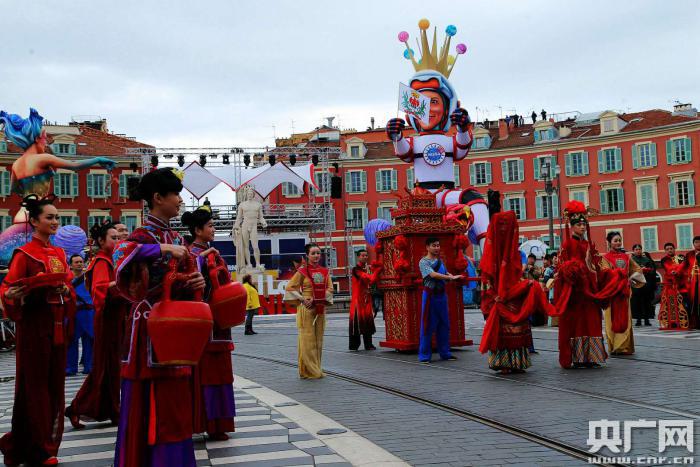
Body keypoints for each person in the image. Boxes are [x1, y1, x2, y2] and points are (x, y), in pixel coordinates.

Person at [112, 168, 205, 467]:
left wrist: (194, 282)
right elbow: (121, 255)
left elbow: (188, 273)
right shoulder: (142, 235)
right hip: (149, 327)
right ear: (157, 198)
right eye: (175, 194)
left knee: (176, 400)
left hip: (175, 326)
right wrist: (162, 248)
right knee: (148, 396)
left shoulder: (177, 235)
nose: (180, 200)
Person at [0, 195, 75, 466]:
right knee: (34, 388)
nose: (55, 222)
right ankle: (39, 448)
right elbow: (7, 289)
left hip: (55, 326)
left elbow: (67, 286)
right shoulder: (24, 254)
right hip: (33, 327)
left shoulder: (59, 253)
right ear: (34, 221)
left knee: (54, 386)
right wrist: (14, 293)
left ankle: (28, 444)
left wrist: (65, 288)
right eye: (49, 217)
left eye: (56, 217)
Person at [181, 207, 236, 442]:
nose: (214, 229)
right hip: (203, 323)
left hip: (219, 323)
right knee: (207, 374)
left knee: (221, 373)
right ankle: (207, 422)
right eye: (210, 226)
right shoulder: (191, 254)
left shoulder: (212, 253)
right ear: (197, 230)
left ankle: (218, 422)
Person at [550, 201, 625, 369]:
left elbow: (596, 266)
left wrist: (610, 275)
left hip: (590, 292)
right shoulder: (567, 244)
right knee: (578, 325)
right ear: (572, 226)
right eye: (579, 224)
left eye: (584, 224)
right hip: (576, 294)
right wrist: (572, 271)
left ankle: (592, 356)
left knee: (592, 322)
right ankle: (578, 357)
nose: (582, 227)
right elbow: (561, 267)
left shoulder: (589, 245)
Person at [479, 212, 554, 373]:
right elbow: (487, 278)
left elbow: (514, 275)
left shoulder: (514, 254)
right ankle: (506, 362)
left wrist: (525, 285)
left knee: (516, 330)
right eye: (502, 228)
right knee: (506, 330)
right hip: (502, 299)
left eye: (508, 228)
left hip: (512, 297)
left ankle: (515, 362)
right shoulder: (493, 254)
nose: (505, 231)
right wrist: (494, 295)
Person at [66, 221, 124, 429]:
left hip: (113, 317)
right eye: (113, 238)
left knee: (110, 368)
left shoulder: (110, 260)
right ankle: (77, 407)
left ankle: (112, 409)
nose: (118, 241)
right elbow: (100, 289)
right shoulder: (101, 261)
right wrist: (123, 282)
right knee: (103, 368)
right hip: (106, 318)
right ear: (101, 241)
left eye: (119, 238)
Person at [284, 243, 333, 379]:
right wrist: (303, 298)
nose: (316, 256)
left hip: (319, 308)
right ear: (307, 255)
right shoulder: (302, 271)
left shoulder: (325, 271)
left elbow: (330, 289)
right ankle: (309, 370)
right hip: (306, 308)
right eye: (313, 253)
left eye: (318, 253)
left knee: (318, 340)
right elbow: (290, 288)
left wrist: (318, 298)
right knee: (307, 340)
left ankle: (315, 367)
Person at [601, 232, 646, 355]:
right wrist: (618, 274)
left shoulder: (627, 257)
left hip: (624, 293)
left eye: (619, 240)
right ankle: (614, 346)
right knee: (611, 319)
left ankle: (624, 347)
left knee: (625, 318)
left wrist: (632, 277)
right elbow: (604, 273)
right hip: (612, 293)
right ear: (609, 242)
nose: (618, 242)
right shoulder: (605, 258)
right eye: (615, 240)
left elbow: (636, 269)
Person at [418, 237, 461, 363]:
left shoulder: (440, 261)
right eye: (434, 245)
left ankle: (445, 353)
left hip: (442, 296)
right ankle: (424, 355)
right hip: (430, 296)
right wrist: (451, 278)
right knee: (427, 325)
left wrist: (452, 276)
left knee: (444, 324)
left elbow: (446, 273)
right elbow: (433, 275)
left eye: (438, 245)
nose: (437, 248)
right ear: (427, 247)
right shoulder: (423, 262)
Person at [66, 254, 94, 376]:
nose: (79, 264)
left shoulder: (89, 278)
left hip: (87, 312)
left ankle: (89, 366)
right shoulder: (66, 279)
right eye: (76, 262)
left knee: (88, 340)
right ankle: (71, 368)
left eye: (81, 262)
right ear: (70, 265)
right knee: (71, 340)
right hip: (73, 312)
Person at [349, 249, 382, 351]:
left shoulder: (368, 268)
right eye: (362, 256)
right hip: (357, 300)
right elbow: (370, 278)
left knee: (368, 320)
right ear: (358, 257)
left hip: (367, 299)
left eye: (366, 255)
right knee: (357, 322)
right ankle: (354, 345)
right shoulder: (356, 269)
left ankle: (369, 344)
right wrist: (377, 271)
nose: (365, 257)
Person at [659, 242, 688, 330]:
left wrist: (677, 270)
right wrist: (676, 269)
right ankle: (673, 322)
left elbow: (683, 266)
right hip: (670, 286)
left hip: (682, 284)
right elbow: (668, 269)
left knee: (684, 303)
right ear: (665, 250)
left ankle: (684, 321)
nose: (669, 250)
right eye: (667, 249)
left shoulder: (681, 257)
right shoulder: (664, 259)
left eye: (671, 248)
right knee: (671, 303)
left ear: (674, 249)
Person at [630, 244, 657, 326]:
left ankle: (646, 320)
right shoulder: (631, 260)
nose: (638, 251)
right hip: (636, 284)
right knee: (637, 302)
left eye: (639, 249)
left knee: (646, 302)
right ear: (633, 251)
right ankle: (638, 320)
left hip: (646, 284)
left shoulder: (647, 260)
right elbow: (629, 271)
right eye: (636, 249)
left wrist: (647, 270)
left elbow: (652, 270)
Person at [680, 236, 700, 329]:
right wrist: (676, 271)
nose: (698, 244)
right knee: (693, 302)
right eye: (696, 242)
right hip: (693, 283)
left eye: (699, 242)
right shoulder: (689, 254)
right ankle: (694, 323)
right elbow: (683, 267)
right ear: (693, 244)